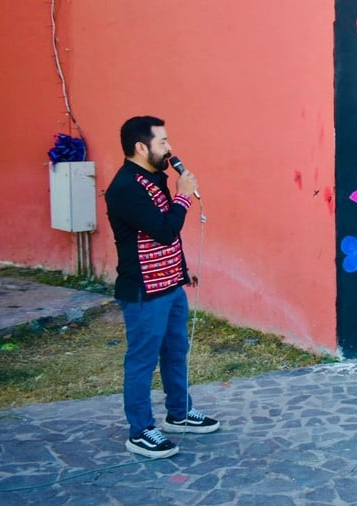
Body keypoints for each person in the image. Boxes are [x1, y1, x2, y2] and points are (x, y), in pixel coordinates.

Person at [105, 116, 219, 459]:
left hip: (171, 286)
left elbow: (166, 237)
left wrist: (181, 270)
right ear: (141, 147)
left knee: (175, 351)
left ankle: (179, 413)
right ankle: (140, 431)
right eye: (163, 142)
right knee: (142, 360)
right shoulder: (125, 188)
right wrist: (185, 197)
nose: (170, 148)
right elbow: (165, 230)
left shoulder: (154, 178)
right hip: (144, 292)